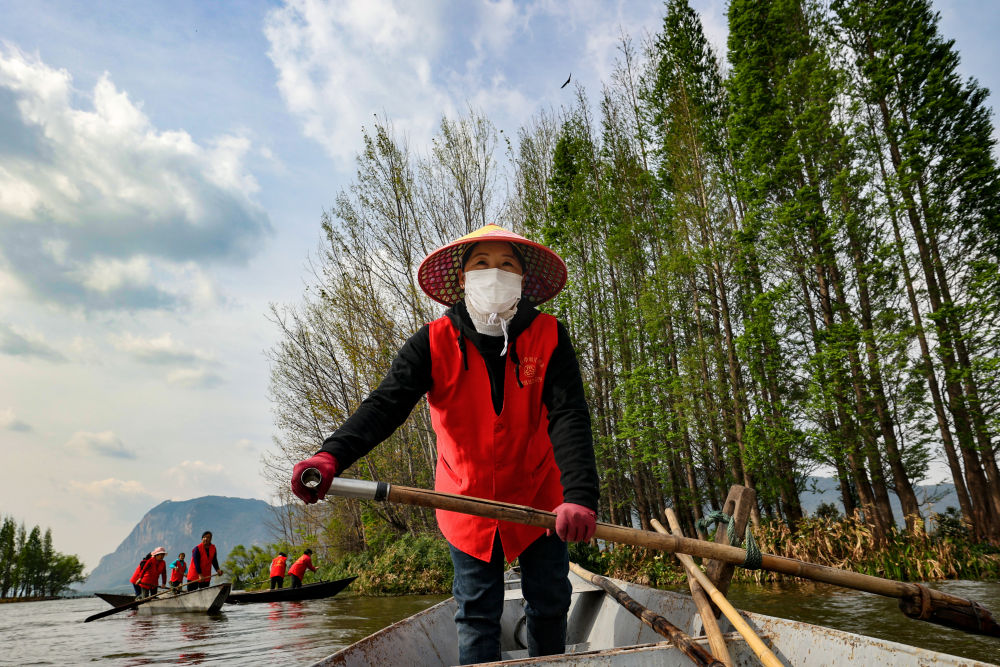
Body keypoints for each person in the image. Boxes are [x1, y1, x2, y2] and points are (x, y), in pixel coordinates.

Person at [291, 224, 599, 664]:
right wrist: (330, 455)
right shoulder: (431, 342)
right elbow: (385, 405)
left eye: (507, 264)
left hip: (541, 496)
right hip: (465, 500)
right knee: (477, 613)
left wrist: (579, 496)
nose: (495, 273)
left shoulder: (549, 335)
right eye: (482, 264)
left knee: (550, 602)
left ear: (522, 279)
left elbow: (569, 415)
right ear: (463, 278)